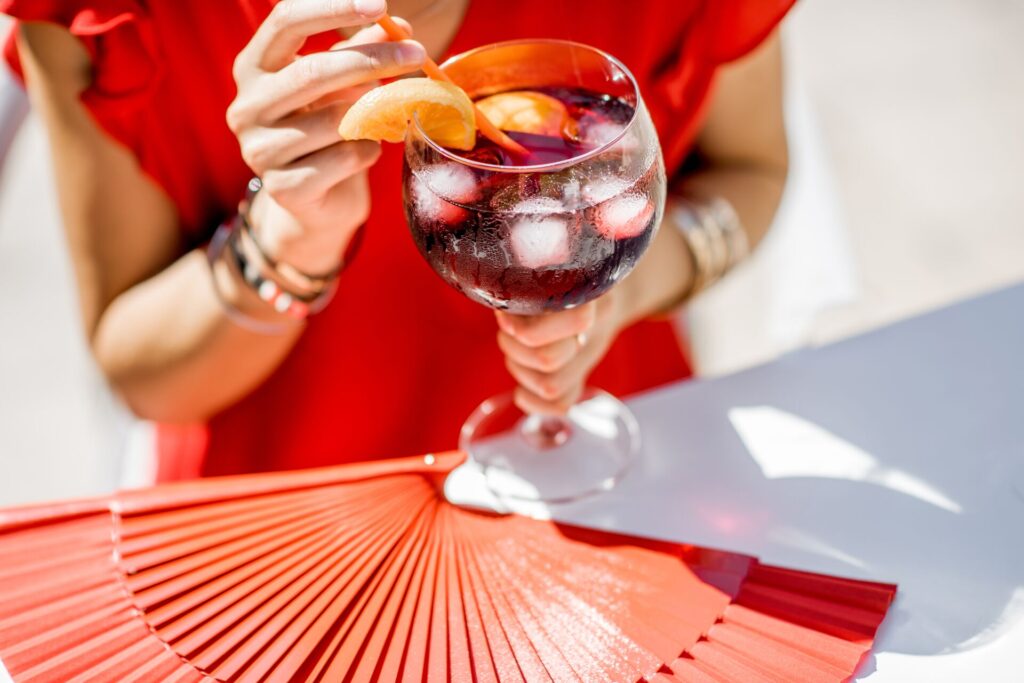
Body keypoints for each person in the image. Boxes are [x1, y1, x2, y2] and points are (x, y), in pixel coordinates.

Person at [2, 0, 792, 480]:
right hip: (293, 546)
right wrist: (285, 238)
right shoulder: (107, 18)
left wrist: (632, 286)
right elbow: (142, 375)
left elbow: (750, 169)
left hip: (618, 478)